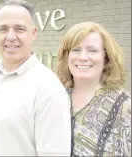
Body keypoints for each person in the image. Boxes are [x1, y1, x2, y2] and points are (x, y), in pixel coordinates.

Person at [0, 0, 71, 156]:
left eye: (19, 29)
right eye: (3, 29)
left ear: (33, 34)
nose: (11, 37)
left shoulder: (48, 89)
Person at [56, 21, 131, 156]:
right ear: (67, 57)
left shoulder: (124, 107)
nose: (83, 57)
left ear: (106, 58)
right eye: (76, 50)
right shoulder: (56, 97)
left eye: (92, 50)